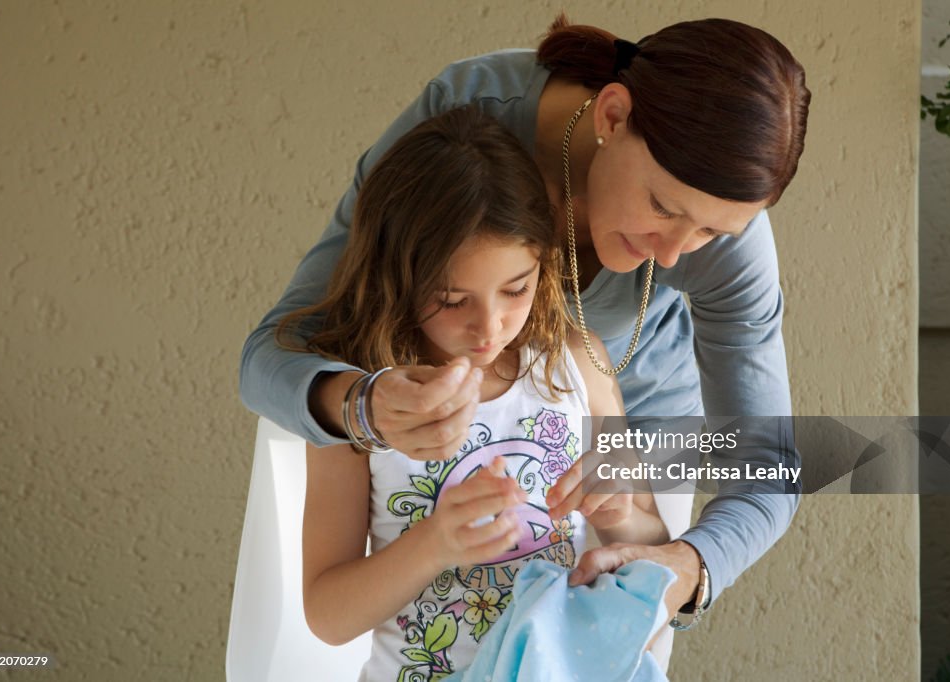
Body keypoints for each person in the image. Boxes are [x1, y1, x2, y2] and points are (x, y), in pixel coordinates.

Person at [240, 13, 810, 645]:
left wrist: (688, 567)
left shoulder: (720, 242)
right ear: (613, 115)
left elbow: (768, 468)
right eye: (663, 208)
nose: (675, 254)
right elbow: (276, 355)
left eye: (709, 232)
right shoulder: (464, 122)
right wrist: (363, 407)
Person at [286, 106, 667, 680]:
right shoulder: (364, 402)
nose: (488, 328)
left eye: (516, 289)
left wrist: (619, 517)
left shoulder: (577, 360)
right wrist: (435, 543)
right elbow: (328, 614)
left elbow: (651, 542)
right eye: (452, 299)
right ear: (399, 275)